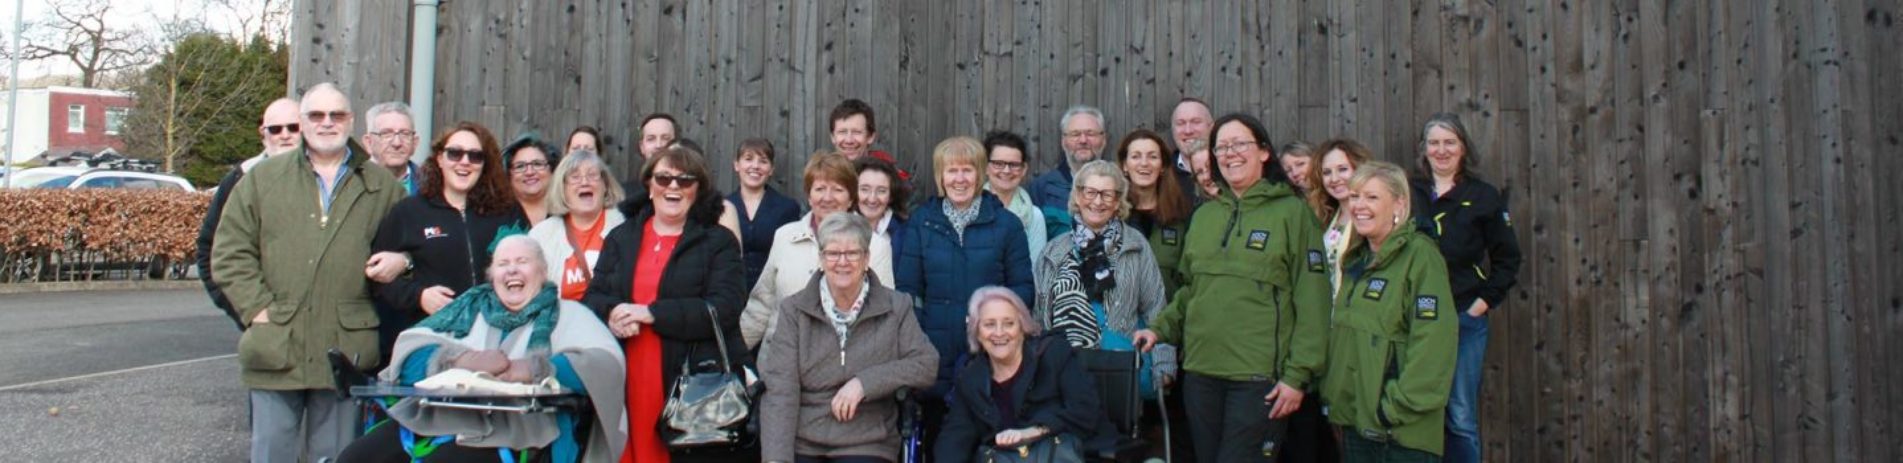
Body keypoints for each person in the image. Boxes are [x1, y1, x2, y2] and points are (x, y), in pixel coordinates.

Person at [211, 82, 405, 463]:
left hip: (344, 348)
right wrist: (258, 310)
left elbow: (410, 249)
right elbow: (229, 252)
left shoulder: (383, 186)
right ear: (302, 123)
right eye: (316, 115)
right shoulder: (263, 180)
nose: (327, 123)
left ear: (350, 122)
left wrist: (404, 262)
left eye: (337, 115)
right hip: (276, 344)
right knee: (272, 455)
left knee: (335, 458)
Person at [1131, 113, 1330, 463]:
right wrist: (1159, 329)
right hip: (1201, 375)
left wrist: (1298, 377)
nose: (1229, 153)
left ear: (1264, 152)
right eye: (1221, 146)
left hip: (1259, 380)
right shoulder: (1206, 216)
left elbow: (1313, 301)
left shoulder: (1292, 214)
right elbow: (1192, 290)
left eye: (1239, 144)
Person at [336, 236, 629, 463]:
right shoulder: (466, 308)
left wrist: (535, 368)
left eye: (523, 261)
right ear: (491, 274)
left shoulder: (569, 313)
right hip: (438, 419)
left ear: (542, 271)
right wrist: (458, 360)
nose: (512, 269)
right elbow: (410, 352)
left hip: (518, 429)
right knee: (356, 457)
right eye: (503, 263)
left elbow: (604, 363)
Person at [581, 145, 751, 462]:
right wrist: (613, 313)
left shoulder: (718, 241)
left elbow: (725, 307)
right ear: (649, 186)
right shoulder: (621, 237)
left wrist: (652, 314)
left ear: (697, 190)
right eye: (664, 178)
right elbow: (594, 297)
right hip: (627, 373)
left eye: (685, 180)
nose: (673, 186)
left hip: (689, 381)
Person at [758, 213, 938, 463]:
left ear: (866, 259)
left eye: (852, 253)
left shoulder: (895, 306)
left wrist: (865, 383)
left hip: (867, 442)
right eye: (833, 253)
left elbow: (926, 364)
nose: (842, 262)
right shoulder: (795, 310)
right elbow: (781, 392)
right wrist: (777, 459)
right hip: (806, 441)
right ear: (821, 259)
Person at [895, 136, 1036, 453]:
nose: (959, 179)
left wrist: (998, 330)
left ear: (981, 174)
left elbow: (1024, 290)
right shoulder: (922, 223)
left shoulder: (1006, 225)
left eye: (967, 170)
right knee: (939, 443)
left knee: (988, 445)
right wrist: (919, 342)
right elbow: (908, 292)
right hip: (935, 353)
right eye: (951, 171)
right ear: (939, 177)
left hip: (991, 356)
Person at [1322, 161, 1458, 461]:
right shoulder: (1356, 259)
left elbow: (1434, 344)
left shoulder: (1420, 257)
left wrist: (1392, 408)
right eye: (1355, 196)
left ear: (1399, 203)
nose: (1359, 206)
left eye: (1372, 197)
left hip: (1399, 434)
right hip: (1355, 426)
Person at [1408, 113, 1522, 463]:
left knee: (1459, 416)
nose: (1441, 150)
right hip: (1413, 320)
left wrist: (1481, 304)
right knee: (1414, 410)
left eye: (1449, 142)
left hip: (1463, 320)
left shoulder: (1482, 196)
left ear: (1462, 148)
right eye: (1434, 143)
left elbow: (1508, 258)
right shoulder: (1407, 192)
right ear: (1424, 150)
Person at [372, 121, 531, 363]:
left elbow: (530, 266)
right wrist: (418, 296)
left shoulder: (507, 211)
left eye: (475, 156)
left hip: (499, 338)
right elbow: (378, 280)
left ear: (484, 165)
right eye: (455, 153)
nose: (464, 162)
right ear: (439, 158)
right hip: (432, 342)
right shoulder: (409, 213)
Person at [1031, 159, 1173, 399]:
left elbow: (1155, 308)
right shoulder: (1053, 251)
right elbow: (1039, 316)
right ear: (1077, 196)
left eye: (1107, 195)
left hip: (1121, 370)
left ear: (1118, 202)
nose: (1097, 202)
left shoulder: (1136, 245)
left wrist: (1163, 367)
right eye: (1090, 192)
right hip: (1065, 371)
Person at [741, 153, 895, 355]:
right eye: (820, 189)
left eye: (838, 190)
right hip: (779, 362)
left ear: (851, 198)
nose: (827, 198)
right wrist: (733, 356)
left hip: (842, 369)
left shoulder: (875, 246)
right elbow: (761, 305)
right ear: (809, 195)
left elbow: (883, 317)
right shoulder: (785, 236)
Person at [934, 287, 1101, 462]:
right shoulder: (970, 378)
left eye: (1008, 323)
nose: (999, 333)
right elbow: (954, 440)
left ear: (1022, 327)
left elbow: (1085, 411)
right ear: (977, 332)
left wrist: (1035, 431)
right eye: (989, 324)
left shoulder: (1054, 354)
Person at [197, 97, 302, 330]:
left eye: (294, 128)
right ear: (263, 133)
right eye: (275, 129)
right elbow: (210, 251)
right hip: (262, 321)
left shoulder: (328, 179)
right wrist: (247, 312)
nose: (285, 135)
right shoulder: (239, 179)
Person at [529, 150, 627, 301]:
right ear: (563, 189)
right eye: (575, 177)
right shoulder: (541, 236)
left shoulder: (625, 228)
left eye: (593, 175)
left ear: (605, 185)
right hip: (561, 322)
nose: (584, 182)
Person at [1114, 129, 1193, 299]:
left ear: (1163, 166)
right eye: (1136, 156)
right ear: (1124, 166)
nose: (1144, 163)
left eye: (1152, 156)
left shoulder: (1182, 214)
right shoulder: (1111, 215)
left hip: (1168, 319)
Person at [728, 138, 802, 290]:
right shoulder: (723, 207)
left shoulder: (787, 208)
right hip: (730, 290)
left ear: (771, 169)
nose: (755, 166)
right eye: (748, 159)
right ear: (737, 165)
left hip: (771, 292)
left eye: (763, 161)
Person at [1306, 138, 1374, 295]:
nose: (1334, 179)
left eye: (1342, 169)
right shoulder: (1323, 217)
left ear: (1360, 169)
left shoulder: (1372, 216)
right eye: (1327, 172)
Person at [1028, 105, 1108, 239]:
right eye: (1075, 134)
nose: (1083, 140)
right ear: (1063, 141)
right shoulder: (1041, 188)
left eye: (1090, 133)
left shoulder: (1120, 187)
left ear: (1104, 140)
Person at [981, 130, 1047, 266]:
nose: (1006, 171)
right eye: (998, 163)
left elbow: (1036, 268)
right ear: (985, 167)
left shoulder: (1034, 216)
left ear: (1023, 169)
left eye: (1014, 165)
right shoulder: (969, 208)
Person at [829, 98, 909, 181]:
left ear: (870, 137)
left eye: (857, 132)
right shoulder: (822, 174)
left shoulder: (889, 174)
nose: (849, 140)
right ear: (833, 137)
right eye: (842, 132)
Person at [363, 101, 423, 195]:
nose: (397, 143)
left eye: (405, 134)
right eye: (386, 134)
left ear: (414, 143)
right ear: (369, 143)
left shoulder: (433, 185)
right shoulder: (352, 184)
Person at [855, 156, 910, 257]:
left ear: (891, 196)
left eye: (881, 191)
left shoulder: (906, 233)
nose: (872, 199)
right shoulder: (838, 227)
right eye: (864, 189)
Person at [623, 114, 679, 202]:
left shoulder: (689, 190)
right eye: (651, 139)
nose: (659, 145)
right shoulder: (624, 194)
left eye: (665, 138)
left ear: (678, 145)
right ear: (642, 147)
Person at [506, 133, 560, 224]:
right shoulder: (496, 215)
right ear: (509, 174)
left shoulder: (569, 212)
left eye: (537, 164)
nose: (529, 172)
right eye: (520, 166)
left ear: (552, 170)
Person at [1168, 98, 1214, 204]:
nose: (1188, 131)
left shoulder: (1227, 168)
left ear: (1211, 127)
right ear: (1173, 130)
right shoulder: (1162, 172)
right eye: (1180, 123)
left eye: (1196, 122)